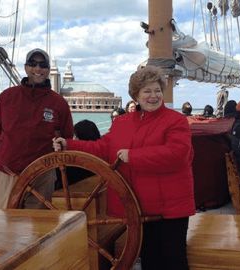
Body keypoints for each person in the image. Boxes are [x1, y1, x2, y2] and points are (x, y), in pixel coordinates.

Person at [53, 66, 195, 270]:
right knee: (150, 260)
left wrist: (133, 156)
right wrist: (69, 144)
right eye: (147, 91)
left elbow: (177, 155)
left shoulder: (176, 121)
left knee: (173, 260)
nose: (153, 96)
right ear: (136, 95)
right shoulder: (122, 122)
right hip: (138, 205)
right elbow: (102, 147)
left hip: (169, 208)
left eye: (157, 90)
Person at [0, 48, 73, 209]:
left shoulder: (58, 103)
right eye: (33, 64)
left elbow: (67, 135)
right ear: (26, 67)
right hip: (8, 171)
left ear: (48, 70)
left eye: (43, 65)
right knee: (2, 223)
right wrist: (7, 150)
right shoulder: (6, 97)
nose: (38, 69)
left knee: (37, 227)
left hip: (42, 173)